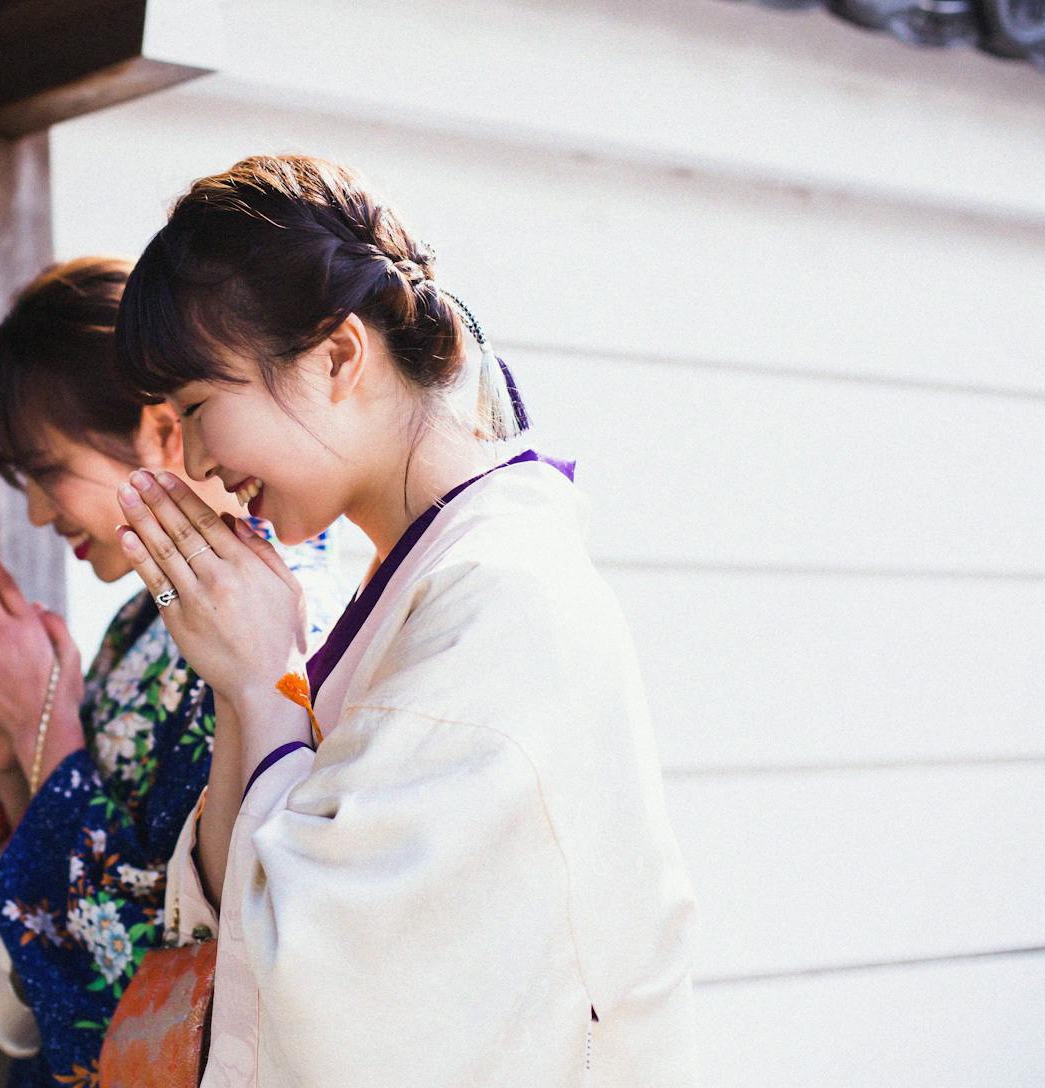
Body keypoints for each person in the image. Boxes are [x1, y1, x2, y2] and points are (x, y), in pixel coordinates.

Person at [108, 157, 700, 1085]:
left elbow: (344, 985)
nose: (192, 459)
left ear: (338, 356)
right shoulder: (420, 578)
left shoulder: (501, 600)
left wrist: (267, 679)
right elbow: (241, 914)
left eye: (195, 406)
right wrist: (243, 680)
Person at [0, 256, 350, 1087]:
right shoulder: (143, 620)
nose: (38, 513)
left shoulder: (280, 623)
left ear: (164, 429)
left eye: (46, 471)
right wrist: (11, 765)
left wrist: (41, 729)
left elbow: (154, 986)